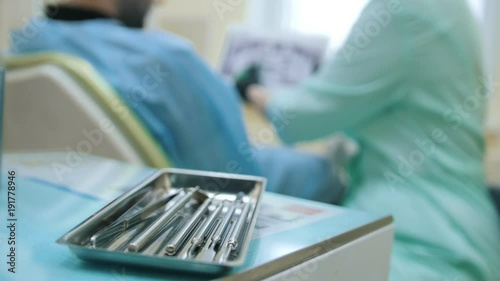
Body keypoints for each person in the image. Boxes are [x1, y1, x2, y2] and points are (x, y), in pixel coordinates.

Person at [242, 0, 500, 280]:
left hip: (422, 240)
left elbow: (302, 117)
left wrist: (256, 93)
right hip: (461, 230)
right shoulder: (451, 8)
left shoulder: (402, 9)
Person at [9, 0, 343, 203]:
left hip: (74, 206)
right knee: (330, 170)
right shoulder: (169, 59)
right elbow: (235, 180)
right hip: (176, 213)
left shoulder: (24, 45)